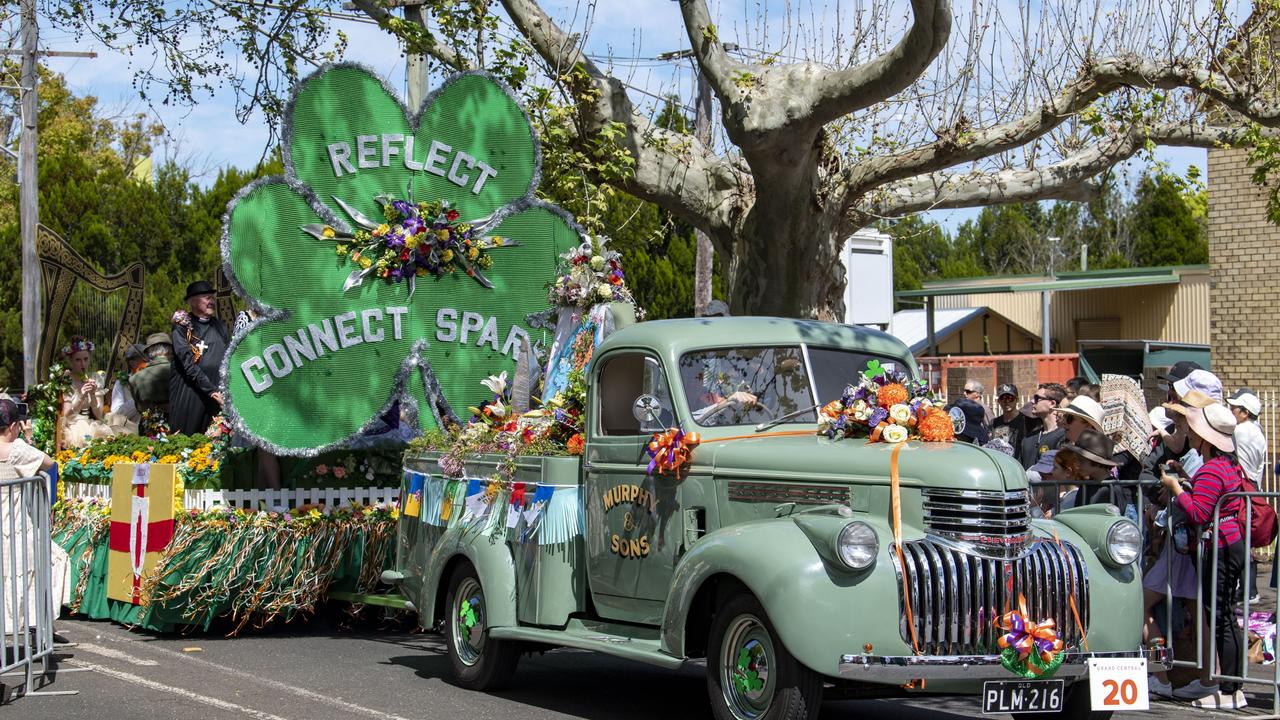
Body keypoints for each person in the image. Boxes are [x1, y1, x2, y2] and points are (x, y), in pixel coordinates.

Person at [1159, 403, 1248, 709]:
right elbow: (1208, 498)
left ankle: (1228, 690)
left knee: (1220, 618)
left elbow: (1199, 511)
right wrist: (1185, 478)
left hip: (1220, 547)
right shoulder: (1227, 466)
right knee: (1225, 616)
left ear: (1204, 437)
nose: (1189, 433)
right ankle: (1232, 687)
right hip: (1231, 543)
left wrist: (1174, 487)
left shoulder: (1212, 469)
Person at [0, 399, 70, 637]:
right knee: (52, 560)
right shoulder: (17, 450)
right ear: (12, 427)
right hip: (16, 524)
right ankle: (33, 620)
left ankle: (28, 622)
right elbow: (50, 463)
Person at [169, 281, 229, 436]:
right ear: (191, 301)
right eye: (206, 297)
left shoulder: (220, 326)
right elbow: (187, 362)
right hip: (190, 393)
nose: (211, 301)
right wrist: (210, 390)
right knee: (187, 442)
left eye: (212, 297)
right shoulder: (183, 327)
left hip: (216, 396)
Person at [1227, 388, 1266, 603]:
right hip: (1252, 486)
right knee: (1245, 540)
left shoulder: (1240, 432)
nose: (1230, 411)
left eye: (1234, 408)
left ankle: (1247, 590)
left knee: (1238, 539)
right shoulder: (1258, 432)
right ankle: (1249, 589)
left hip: (1241, 487)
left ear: (1244, 412)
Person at [59, 336, 119, 448]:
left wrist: (92, 394)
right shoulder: (67, 379)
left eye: (86, 359)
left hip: (92, 422)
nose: (83, 364)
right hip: (74, 425)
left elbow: (98, 414)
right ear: (71, 361)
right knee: (84, 436)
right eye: (78, 360)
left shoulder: (95, 377)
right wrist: (81, 396)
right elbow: (67, 415)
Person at [1018, 382, 1067, 469]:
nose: (1033, 401)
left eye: (1037, 398)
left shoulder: (1063, 436)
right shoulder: (1028, 439)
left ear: (1052, 403)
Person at [107, 342, 147, 433]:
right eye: (144, 359)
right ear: (132, 363)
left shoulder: (152, 380)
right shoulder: (121, 383)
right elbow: (116, 413)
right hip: (128, 430)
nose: (148, 362)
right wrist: (137, 400)